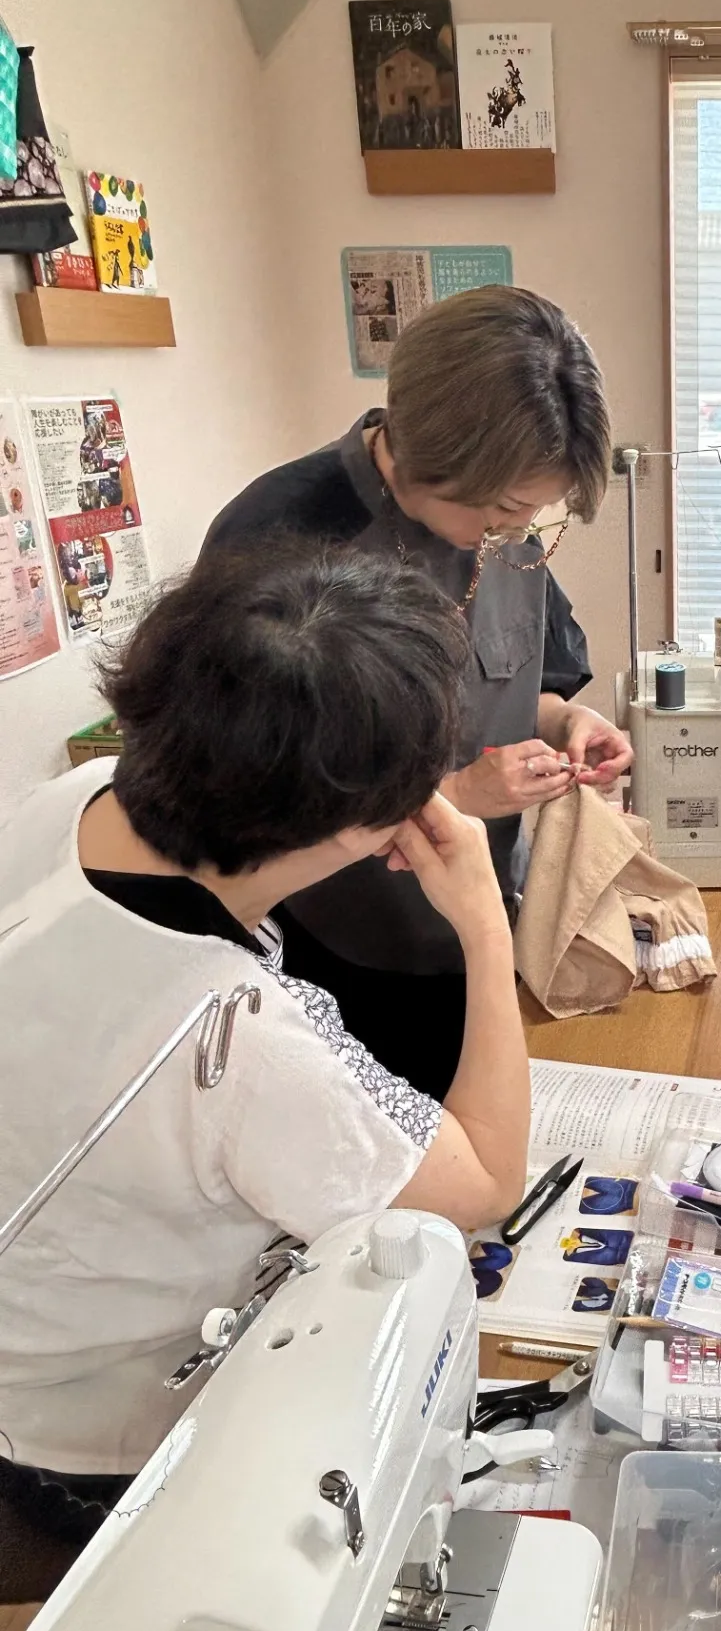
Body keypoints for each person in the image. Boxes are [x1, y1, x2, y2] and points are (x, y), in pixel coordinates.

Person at [0, 546, 529, 1543]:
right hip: (83, 1448)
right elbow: (486, 1182)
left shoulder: (73, 800)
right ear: (370, 824)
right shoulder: (239, 1042)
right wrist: (484, 924)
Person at [204, 285, 633, 1098]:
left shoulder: (510, 535)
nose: (516, 534)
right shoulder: (281, 540)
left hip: (476, 924)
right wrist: (457, 794)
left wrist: (568, 720)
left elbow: (518, 687)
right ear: (431, 454)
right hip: (341, 956)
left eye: (535, 514)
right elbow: (250, 805)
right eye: (507, 509)